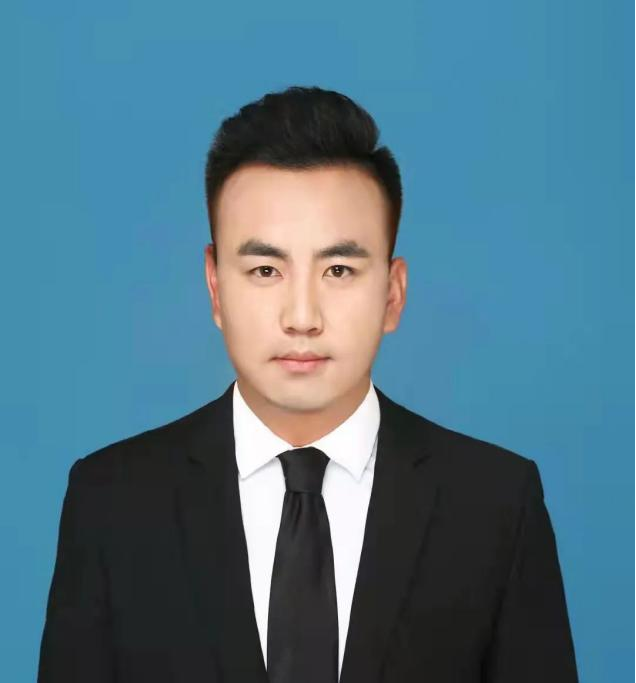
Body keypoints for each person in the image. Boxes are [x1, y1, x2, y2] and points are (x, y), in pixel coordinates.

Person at [38, 85, 579, 682]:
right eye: (265, 269)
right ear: (216, 287)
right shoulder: (112, 503)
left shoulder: (496, 506)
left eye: (339, 269)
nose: (302, 317)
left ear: (393, 293)